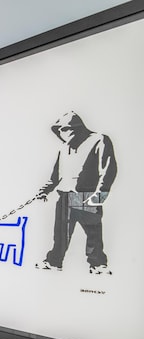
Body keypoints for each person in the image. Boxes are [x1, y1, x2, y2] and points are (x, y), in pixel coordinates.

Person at [35, 111, 117, 274]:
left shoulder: (99, 140)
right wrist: (45, 191)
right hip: (65, 197)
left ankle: (98, 265)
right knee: (60, 235)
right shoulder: (64, 148)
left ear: (76, 128)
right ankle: (54, 262)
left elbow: (108, 169)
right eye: (59, 131)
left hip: (87, 196)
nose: (61, 134)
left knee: (93, 233)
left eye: (64, 130)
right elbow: (56, 175)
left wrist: (99, 196)